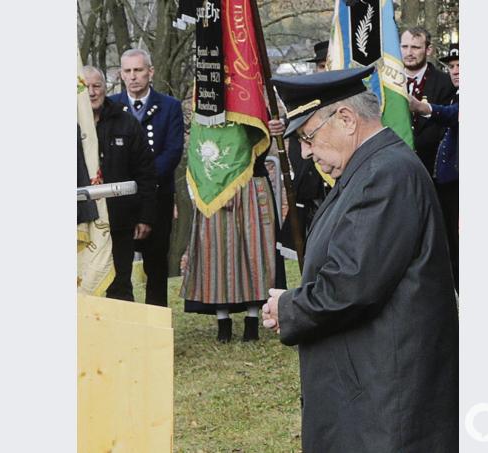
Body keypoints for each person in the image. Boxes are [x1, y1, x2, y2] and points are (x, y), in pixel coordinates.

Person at [262, 66, 458, 452]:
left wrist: (288, 307)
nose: (306, 152)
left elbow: (351, 284)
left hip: (387, 401)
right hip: (373, 390)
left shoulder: (385, 174)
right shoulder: (371, 168)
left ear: (347, 119)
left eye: (307, 136)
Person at [109, 48, 184, 307]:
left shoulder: (170, 106)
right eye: (128, 71)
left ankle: (157, 321)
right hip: (120, 200)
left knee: (156, 264)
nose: (133, 77)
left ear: (150, 72)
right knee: (119, 265)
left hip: (157, 196)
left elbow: (173, 151)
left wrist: (145, 182)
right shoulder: (110, 107)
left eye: (138, 70)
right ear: (121, 74)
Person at [181, 152, 279, 342]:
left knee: (253, 252)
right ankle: (222, 322)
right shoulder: (203, 123)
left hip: (249, 181)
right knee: (216, 253)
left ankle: (252, 319)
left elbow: (260, 143)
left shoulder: (251, 121)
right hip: (214, 186)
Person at [83, 65, 158, 302]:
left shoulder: (126, 123)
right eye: (86, 88)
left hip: (120, 221)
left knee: (120, 283)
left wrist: (145, 216)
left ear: (107, 88)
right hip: (81, 223)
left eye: (97, 86)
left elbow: (145, 173)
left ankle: (125, 338)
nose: (92, 92)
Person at [268, 40, 330, 256]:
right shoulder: (306, 95)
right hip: (310, 186)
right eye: (320, 66)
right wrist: (281, 125)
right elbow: (294, 119)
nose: (324, 70)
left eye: (327, 65)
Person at [409, 42, 460, 291]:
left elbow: (454, 114)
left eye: (462, 65)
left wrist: (422, 107)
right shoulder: (456, 93)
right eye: (452, 66)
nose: (456, 70)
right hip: (448, 184)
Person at [400, 26, 456, 176]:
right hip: (396, 169)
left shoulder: (446, 83)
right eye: (404, 47)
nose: (409, 53)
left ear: (428, 50)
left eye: (415, 47)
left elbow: (446, 125)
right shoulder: (388, 82)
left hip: (432, 171)